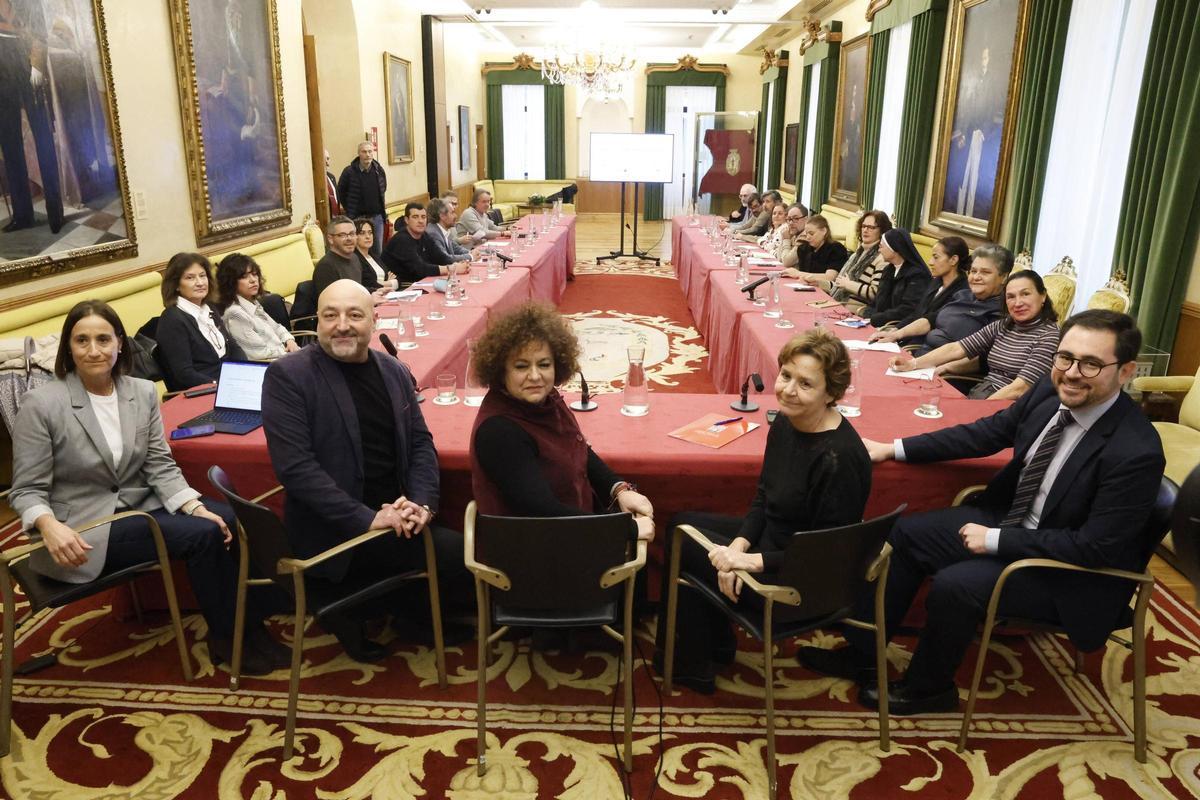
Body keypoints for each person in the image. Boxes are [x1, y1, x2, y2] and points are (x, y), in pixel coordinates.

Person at [800, 310, 1166, 716]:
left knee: (958, 584)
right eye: (1064, 357)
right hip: (1014, 523)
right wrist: (895, 447)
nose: (1072, 373)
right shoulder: (1049, 393)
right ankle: (863, 655)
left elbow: (1094, 548)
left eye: (1091, 363)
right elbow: (987, 433)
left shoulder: (1136, 451)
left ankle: (929, 690)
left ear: (1127, 371)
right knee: (901, 536)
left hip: (1067, 571)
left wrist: (996, 540)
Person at [10, 300, 287, 674]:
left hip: (141, 504)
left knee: (227, 517)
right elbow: (25, 489)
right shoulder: (42, 404)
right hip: (81, 528)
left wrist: (194, 505)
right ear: (68, 347)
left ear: (120, 344)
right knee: (205, 535)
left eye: (104, 339)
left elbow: (159, 464)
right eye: (82, 340)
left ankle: (250, 626)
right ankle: (229, 636)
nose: (94, 350)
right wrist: (48, 526)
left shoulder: (140, 392)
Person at [261, 279, 469, 662]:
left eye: (354, 315)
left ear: (374, 321)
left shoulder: (392, 370)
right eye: (330, 316)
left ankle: (407, 611)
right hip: (336, 528)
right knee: (458, 554)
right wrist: (368, 518)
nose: (342, 325)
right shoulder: (287, 376)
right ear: (317, 323)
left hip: (397, 511)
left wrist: (422, 504)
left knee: (465, 558)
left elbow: (421, 443)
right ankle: (368, 611)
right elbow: (296, 469)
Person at [654, 330, 872, 693]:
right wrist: (738, 548)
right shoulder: (787, 421)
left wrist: (749, 562)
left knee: (687, 548)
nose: (787, 389)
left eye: (806, 384)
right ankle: (710, 649)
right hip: (774, 545)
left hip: (799, 581)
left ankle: (691, 663)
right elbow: (763, 498)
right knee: (682, 526)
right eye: (786, 375)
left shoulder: (838, 459)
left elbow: (823, 556)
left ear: (831, 394)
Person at [469, 303, 655, 539]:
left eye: (544, 364)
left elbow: (576, 449)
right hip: (533, 555)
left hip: (569, 534)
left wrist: (618, 489)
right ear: (500, 370)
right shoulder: (499, 432)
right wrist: (623, 528)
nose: (535, 376)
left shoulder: (546, 399)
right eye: (521, 366)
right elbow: (544, 513)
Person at [890, 269, 1060, 400]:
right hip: (980, 393)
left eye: (1025, 294)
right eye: (1011, 297)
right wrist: (912, 364)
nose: (1018, 303)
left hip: (1008, 408)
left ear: (1043, 296)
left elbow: (1020, 388)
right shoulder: (1004, 325)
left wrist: (976, 412)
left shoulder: (1049, 336)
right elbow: (956, 349)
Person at [871, 241, 1009, 354]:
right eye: (973, 271)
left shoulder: (1000, 311)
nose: (976, 277)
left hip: (945, 373)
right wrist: (895, 334)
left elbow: (977, 357)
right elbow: (930, 319)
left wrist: (918, 365)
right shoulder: (962, 295)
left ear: (1003, 277)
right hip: (919, 355)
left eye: (985, 272)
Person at [0, 0, 64, 234]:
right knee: (10, 144)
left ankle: (55, 210)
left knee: (43, 139)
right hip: (1, 73)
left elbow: (39, 28)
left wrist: (37, 65)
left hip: (27, 65)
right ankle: (23, 214)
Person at [156, 253, 247, 391]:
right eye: (190, 278)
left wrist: (246, 374)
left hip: (231, 383)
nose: (200, 283)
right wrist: (223, 385)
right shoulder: (172, 320)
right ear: (176, 285)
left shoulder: (209, 308)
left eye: (202, 276)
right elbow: (184, 375)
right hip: (206, 392)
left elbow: (234, 348)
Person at [869, 237, 969, 348]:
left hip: (928, 347)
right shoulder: (936, 282)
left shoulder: (963, 292)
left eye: (936, 257)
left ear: (953, 260)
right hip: (908, 339)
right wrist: (895, 329)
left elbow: (932, 321)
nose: (930, 262)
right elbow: (917, 314)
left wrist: (897, 335)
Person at [215, 253, 300, 360]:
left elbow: (277, 327)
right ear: (230, 282)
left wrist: (289, 341)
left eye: (255, 274)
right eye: (244, 277)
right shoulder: (235, 314)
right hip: (274, 366)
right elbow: (260, 354)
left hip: (286, 357)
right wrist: (294, 353)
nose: (253, 280)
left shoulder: (252, 302)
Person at [862, 229, 932, 328]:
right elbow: (878, 299)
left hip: (897, 327)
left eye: (881, 247)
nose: (879, 250)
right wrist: (868, 314)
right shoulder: (888, 269)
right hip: (878, 323)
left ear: (893, 248)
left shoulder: (917, 275)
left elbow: (907, 309)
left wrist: (876, 319)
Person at [312, 215, 389, 302]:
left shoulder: (354, 258)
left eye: (352, 234)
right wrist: (368, 300)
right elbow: (332, 303)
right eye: (343, 235)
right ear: (330, 239)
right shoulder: (326, 267)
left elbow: (356, 290)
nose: (349, 239)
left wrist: (376, 291)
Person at [826, 210, 893, 307]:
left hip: (857, 312)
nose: (865, 230)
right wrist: (818, 283)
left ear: (882, 231)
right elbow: (838, 284)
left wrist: (848, 285)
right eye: (863, 226)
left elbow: (875, 293)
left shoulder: (882, 258)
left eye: (871, 227)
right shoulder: (856, 254)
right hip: (838, 304)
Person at [381, 203, 454, 284]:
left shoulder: (424, 235)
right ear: (406, 220)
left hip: (419, 282)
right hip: (400, 287)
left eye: (423, 217)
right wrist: (450, 268)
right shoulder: (401, 239)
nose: (420, 221)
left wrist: (457, 265)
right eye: (415, 217)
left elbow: (441, 257)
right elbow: (420, 269)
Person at [337, 142, 387, 257]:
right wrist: (349, 209)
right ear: (359, 153)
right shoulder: (349, 172)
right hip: (357, 218)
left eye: (370, 152)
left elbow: (383, 189)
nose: (367, 155)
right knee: (357, 251)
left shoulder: (379, 170)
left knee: (377, 251)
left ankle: (377, 274)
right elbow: (341, 192)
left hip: (376, 217)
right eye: (364, 152)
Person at [785, 215, 849, 281]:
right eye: (806, 234)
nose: (808, 237)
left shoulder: (836, 249)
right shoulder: (803, 248)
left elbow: (830, 277)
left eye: (811, 233)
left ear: (824, 231)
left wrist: (798, 273)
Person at [352, 216, 398, 290]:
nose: (368, 237)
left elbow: (397, 278)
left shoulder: (374, 257)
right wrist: (389, 283)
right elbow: (368, 284)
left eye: (370, 233)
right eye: (362, 233)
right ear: (354, 236)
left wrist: (383, 283)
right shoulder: (355, 259)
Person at [426, 197, 472, 263]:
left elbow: (455, 248)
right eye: (452, 213)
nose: (456, 216)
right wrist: (470, 256)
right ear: (442, 216)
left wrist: (471, 252)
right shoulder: (433, 233)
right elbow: (446, 258)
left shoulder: (444, 230)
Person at [777, 203, 810, 269]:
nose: (791, 223)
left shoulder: (805, 237)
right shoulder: (794, 234)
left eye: (795, 219)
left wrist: (786, 239)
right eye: (789, 219)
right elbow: (779, 257)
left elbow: (786, 262)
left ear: (806, 219)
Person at [324, 149, 341, 217]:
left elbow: (336, 197)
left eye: (328, 158)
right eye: (324, 158)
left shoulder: (331, 177)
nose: (326, 161)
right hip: (326, 216)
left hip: (336, 215)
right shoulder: (316, 180)